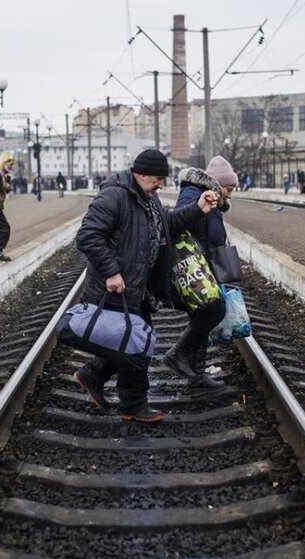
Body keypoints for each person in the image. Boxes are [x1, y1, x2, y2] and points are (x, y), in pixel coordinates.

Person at [73, 149, 221, 423]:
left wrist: (199, 207)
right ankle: (132, 404)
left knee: (135, 342)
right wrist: (111, 271)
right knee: (136, 345)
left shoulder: (147, 199)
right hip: (117, 288)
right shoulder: (114, 196)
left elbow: (169, 224)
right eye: (157, 179)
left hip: (136, 288)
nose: (161, 185)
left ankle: (96, 378)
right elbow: (88, 236)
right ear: (140, 175)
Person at [168, 156, 240, 390]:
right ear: (217, 184)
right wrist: (199, 208)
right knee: (212, 310)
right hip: (192, 268)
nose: (230, 195)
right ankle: (178, 356)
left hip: (205, 268)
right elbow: (178, 221)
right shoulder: (192, 193)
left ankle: (197, 376)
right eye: (229, 189)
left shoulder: (214, 200)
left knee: (204, 316)